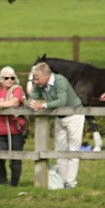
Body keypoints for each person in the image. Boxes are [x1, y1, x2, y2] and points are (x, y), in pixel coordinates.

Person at [29, 61, 85, 189]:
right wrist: (31, 104)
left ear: (46, 76)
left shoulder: (60, 81)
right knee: (59, 151)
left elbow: (62, 101)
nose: (35, 82)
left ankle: (71, 182)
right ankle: (63, 181)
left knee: (73, 150)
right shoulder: (39, 85)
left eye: (37, 79)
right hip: (60, 118)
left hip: (75, 116)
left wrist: (43, 105)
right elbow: (31, 97)